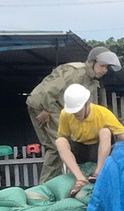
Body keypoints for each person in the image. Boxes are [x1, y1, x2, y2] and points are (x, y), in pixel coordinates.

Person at [27, 46, 119, 184]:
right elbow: (49, 90)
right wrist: (45, 109)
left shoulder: (90, 79)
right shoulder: (76, 72)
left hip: (56, 106)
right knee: (58, 145)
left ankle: (50, 183)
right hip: (46, 105)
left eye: (107, 68)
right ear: (92, 62)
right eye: (102, 66)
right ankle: (48, 185)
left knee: (55, 147)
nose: (104, 70)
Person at [56, 84, 124, 197]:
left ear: (87, 103)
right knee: (60, 141)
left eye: (78, 110)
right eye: (73, 111)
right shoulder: (65, 115)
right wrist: (70, 164)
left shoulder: (102, 113)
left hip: (100, 150)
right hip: (81, 149)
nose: (76, 114)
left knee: (105, 132)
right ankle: (80, 178)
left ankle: (98, 172)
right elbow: (64, 137)